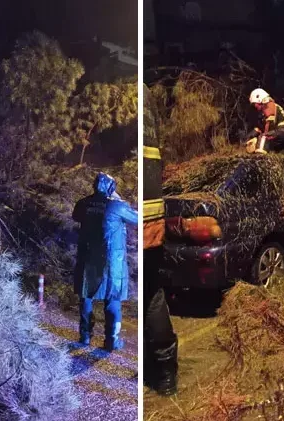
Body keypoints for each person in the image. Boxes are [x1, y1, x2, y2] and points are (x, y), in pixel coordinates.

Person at [73, 173, 138, 352]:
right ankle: (111, 340)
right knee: (113, 299)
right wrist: (118, 200)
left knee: (86, 297)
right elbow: (138, 218)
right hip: (111, 262)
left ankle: (85, 336)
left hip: (88, 260)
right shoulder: (116, 206)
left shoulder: (83, 204)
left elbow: (76, 215)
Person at [143, 90, 179, 394]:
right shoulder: (146, 98)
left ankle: (157, 371)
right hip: (153, 220)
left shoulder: (132, 98)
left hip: (137, 225)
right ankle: (165, 376)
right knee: (152, 295)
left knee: (145, 296)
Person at [245, 88, 284, 154]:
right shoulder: (264, 110)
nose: (255, 106)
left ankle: (260, 159)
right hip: (282, 133)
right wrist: (250, 137)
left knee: (263, 137)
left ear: (260, 99)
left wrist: (256, 141)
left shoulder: (269, 106)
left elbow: (269, 126)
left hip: (283, 130)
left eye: (255, 103)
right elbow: (260, 128)